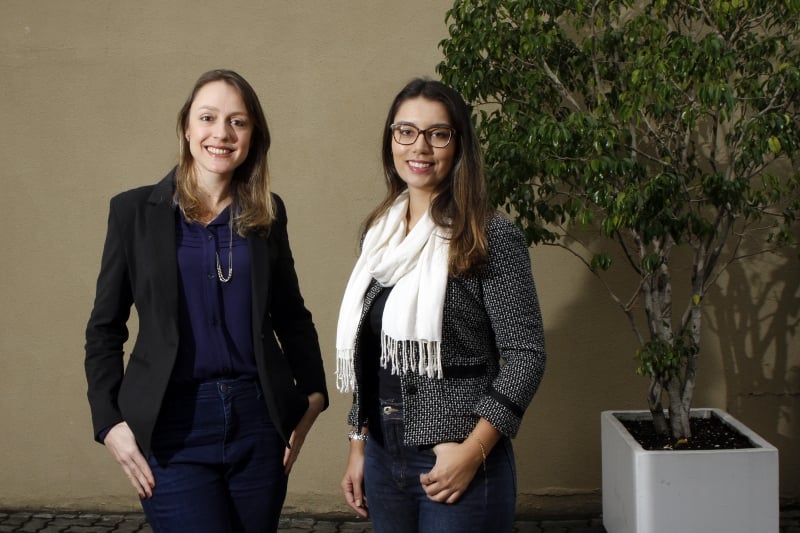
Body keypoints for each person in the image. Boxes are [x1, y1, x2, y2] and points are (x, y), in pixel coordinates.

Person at [84, 69, 328, 533]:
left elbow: (292, 315)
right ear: (186, 128)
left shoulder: (268, 214)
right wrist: (108, 422)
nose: (222, 133)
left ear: (253, 136)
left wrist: (313, 397)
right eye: (208, 118)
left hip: (258, 421)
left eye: (237, 121)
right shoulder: (133, 212)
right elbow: (104, 328)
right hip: (172, 425)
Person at [336, 78, 546, 533]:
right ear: (391, 139)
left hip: (456, 456)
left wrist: (473, 452)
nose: (421, 147)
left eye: (438, 133)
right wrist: (358, 445)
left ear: (458, 143)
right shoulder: (379, 235)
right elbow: (370, 354)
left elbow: (527, 356)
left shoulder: (489, 235)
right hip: (382, 457)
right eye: (405, 131)